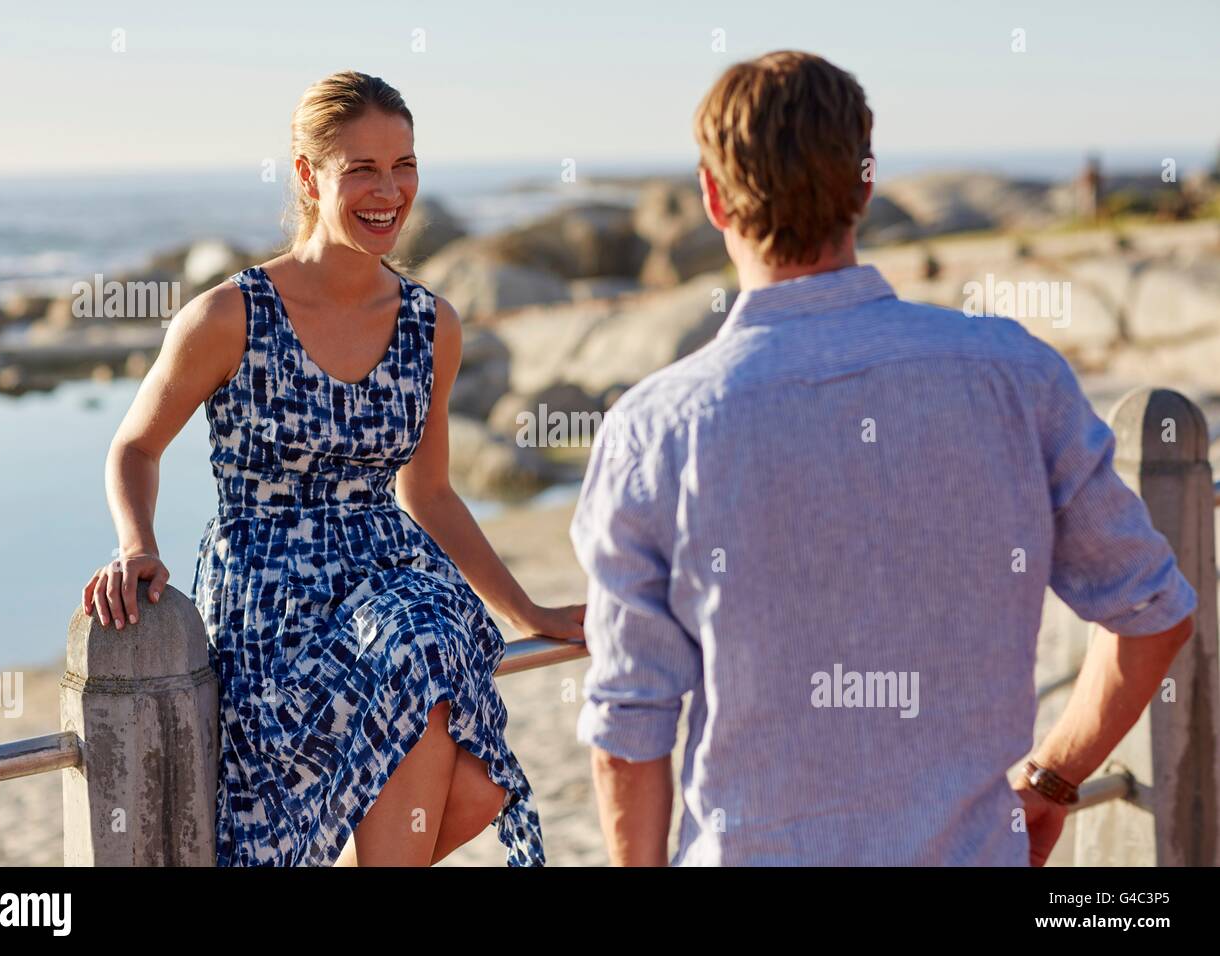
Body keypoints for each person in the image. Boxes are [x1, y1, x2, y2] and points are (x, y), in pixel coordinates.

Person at [569, 50, 1197, 866]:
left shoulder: (654, 430)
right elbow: (1154, 611)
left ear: (713, 199)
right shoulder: (1015, 374)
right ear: (865, 185)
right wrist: (1050, 782)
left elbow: (628, 732)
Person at [81, 70, 583, 867]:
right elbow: (135, 447)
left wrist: (528, 611)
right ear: (310, 177)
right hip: (273, 595)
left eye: (404, 165)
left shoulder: (430, 326)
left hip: (393, 575)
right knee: (421, 670)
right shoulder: (229, 316)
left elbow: (430, 492)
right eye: (362, 169)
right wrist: (136, 542)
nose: (389, 192)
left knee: (478, 775)